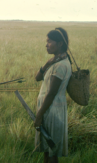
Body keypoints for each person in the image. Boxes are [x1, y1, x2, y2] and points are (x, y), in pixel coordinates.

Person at [34, 27, 72, 163]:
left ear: (60, 44)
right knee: (47, 150)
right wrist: (47, 63)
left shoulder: (61, 66)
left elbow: (51, 94)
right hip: (49, 110)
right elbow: (37, 78)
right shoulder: (55, 62)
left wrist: (39, 115)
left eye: (50, 41)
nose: (46, 44)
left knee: (51, 153)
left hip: (52, 111)